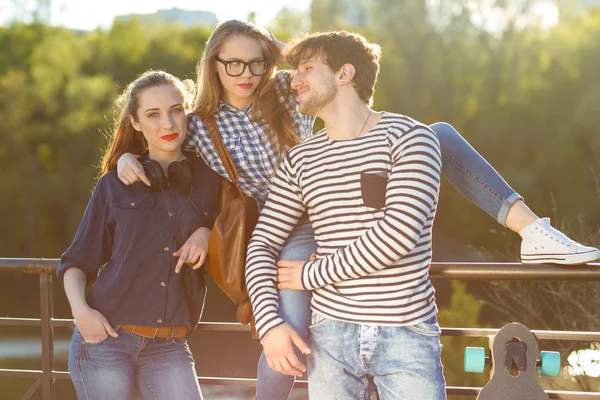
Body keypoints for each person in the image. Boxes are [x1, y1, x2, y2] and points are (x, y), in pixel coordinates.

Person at [115, 20, 600, 400]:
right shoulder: (199, 123)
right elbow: (172, 159)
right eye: (233, 65)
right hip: (278, 221)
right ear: (212, 65)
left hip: (330, 207)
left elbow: (334, 77)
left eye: (256, 63)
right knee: (289, 330)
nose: (247, 75)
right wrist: (127, 161)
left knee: (439, 135)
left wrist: (307, 64)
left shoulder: (288, 88)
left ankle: (533, 230)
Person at [246, 30, 446, 398]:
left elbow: (396, 235)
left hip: (406, 333)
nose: (294, 79)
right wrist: (270, 323)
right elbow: (261, 245)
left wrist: (310, 274)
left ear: (344, 74)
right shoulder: (300, 160)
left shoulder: (410, 138)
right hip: (330, 338)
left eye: (307, 67)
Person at [57, 70, 221, 400]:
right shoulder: (116, 184)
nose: (169, 125)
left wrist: (207, 232)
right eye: (153, 115)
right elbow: (76, 263)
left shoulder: (210, 179)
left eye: (176, 110)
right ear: (135, 122)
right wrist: (81, 312)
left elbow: (238, 224)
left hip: (169, 346)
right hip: (106, 341)